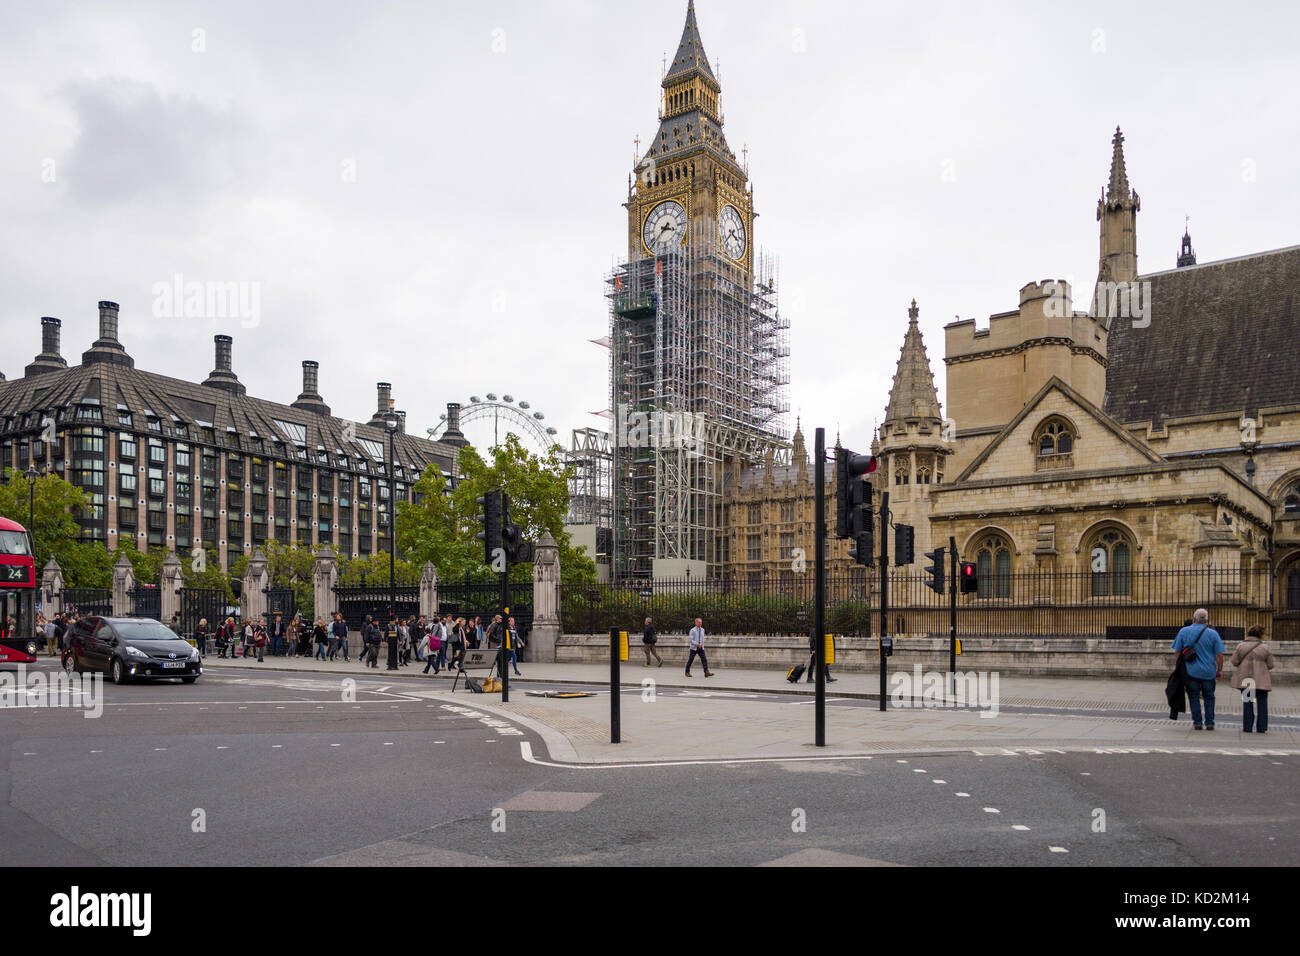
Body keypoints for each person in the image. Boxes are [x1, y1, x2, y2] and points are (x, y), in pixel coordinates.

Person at [1171, 608, 1224, 730]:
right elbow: (1219, 655)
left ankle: (1197, 722)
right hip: (1209, 672)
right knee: (1209, 697)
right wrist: (1219, 669)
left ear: (1194, 618)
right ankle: (1210, 723)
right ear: (1206, 620)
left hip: (1191, 672)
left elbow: (1177, 652)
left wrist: (1182, 665)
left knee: (1193, 696)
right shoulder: (1213, 633)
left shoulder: (1184, 631)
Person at [1230, 624, 1275, 734]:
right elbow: (1271, 665)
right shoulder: (1265, 647)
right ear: (1261, 635)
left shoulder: (1241, 646)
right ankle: (1262, 727)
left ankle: (1248, 727)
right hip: (1262, 680)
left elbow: (1234, 661)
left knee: (1248, 702)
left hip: (1247, 680)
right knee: (1262, 704)